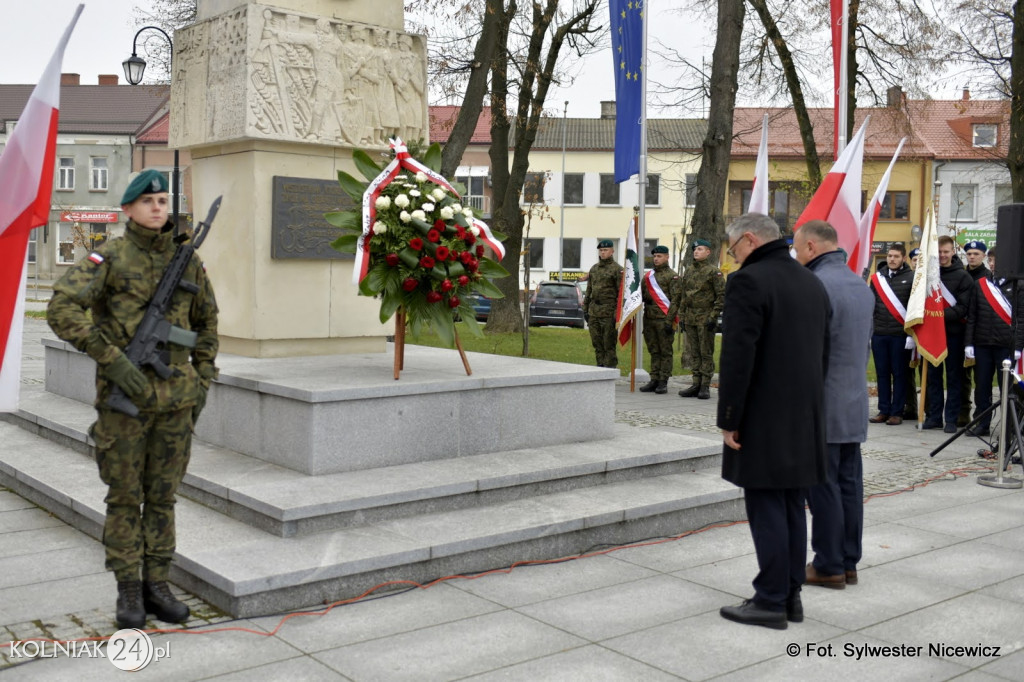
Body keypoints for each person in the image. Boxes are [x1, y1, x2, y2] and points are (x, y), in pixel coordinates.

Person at [47, 170, 220, 629]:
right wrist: (112, 359)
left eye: (163, 201)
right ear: (128, 209)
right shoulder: (110, 257)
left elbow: (207, 324)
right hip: (125, 405)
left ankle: (157, 584)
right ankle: (128, 589)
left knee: (163, 499)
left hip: (176, 405)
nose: (158, 208)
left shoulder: (188, 262)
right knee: (125, 500)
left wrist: (201, 381)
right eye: (148, 202)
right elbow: (61, 307)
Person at [717, 213, 830, 630]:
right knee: (790, 507)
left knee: (766, 506)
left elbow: (737, 358)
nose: (733, 259)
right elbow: (824, 355)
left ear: (748, 240)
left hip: (763, 417)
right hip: (804, 415)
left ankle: (769, 599)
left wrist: (730, 418)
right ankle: (790, 596)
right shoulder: (810, 281)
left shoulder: (749, 281)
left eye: (732, 251)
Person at [792, 221, 874, 590]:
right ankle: (848, 561)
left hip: (821, 403)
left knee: (822, 486)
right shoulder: (860, 283)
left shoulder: (815, 285)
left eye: (796, 249)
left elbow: (806, 353)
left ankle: (828, 564)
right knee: (849, 485)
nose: (795, 256)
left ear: (811, 246)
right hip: (853, 402)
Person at [965, 247, 1021, 436]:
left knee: (1008, 387)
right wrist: (969, 343)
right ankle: (982, 423)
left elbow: (1021, 319)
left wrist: (1019, 347)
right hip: (982, 344)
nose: (992, 263)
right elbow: (972, 316)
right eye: (990, 260)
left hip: (1007, 345)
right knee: (981, 386)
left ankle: (1010, 426)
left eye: (996, 260)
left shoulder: (1018, 285)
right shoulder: (981, 284)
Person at [924, 235, 974, 433]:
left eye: (946, 252)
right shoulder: (929, 274)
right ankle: (934, 416)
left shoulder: (963, 277)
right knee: (933, 378)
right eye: (939, 252)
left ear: (953, 252)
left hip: (954, 335)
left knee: (954, 378)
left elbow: (963, 308)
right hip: (933, 335)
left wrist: (937, 316)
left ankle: (951, 419)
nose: (942, 255)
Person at [868, 244, 914, 425]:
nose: (892, 259)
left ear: (903, 258)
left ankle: (897, 412)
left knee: (900, 373)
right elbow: (872, 304)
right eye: (889, 256)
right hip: (880, 333)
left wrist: (911, 333)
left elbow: (913, 308)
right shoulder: (878, 278)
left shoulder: (911, 278)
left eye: (896, 256)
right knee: (882, 373)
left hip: (900, 334)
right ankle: (883, 409)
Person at [678, 238, 725, 400]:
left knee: (706, 352)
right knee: (694, 352)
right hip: (690, 317)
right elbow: (684, 295)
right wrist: (682, 316)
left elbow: (721, 296)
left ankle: (705, 385)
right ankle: (696, 383)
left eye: (700, 249)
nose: (696, 252)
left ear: (708, 252)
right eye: (695, 250)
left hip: (705, 317)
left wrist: (713, 316)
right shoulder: (690, 270)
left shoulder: (714, 272)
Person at [639, 245, 681, 393]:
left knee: (665, 351)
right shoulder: (648, 276)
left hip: (664, 319)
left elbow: (676, 300)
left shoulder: (673, 276)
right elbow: (642, 297)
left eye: (660, 256)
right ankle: (654, 378)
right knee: (653, 350)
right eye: (655, 256)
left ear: (667, 257)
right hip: (649, 318)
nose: (656, 259)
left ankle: (663, 381)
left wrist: (670, 321)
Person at [960, 241, 992, 427]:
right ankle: (963, 414)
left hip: (980, 334)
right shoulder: (962, 274)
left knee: (981, 381)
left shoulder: (989, 277)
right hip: (962, 332)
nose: (972, 257)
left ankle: (982, 419)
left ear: (983, 256)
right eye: (969, 253)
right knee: (962, 378)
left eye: (976, 254)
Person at [583, 239, 624, 368]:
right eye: (601, 250)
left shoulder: (618, 270)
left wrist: (616, 315)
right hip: (594, 312)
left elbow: (621, 294)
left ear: (612, 251)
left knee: (608, 345)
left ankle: (609, 371)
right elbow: (589, 290)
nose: (603, 253)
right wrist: (585, 309)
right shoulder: (594, 269)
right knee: (597, 344)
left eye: (605, 250)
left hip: (608, 312)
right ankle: (600, 369)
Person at [904, 247, 922, 419]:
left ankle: (928, 409)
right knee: (907, 372)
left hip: (925, 333)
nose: (917, 262)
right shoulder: (908, 279)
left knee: (927, 374)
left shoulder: (928, 280)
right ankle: (910, 406)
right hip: (906, 332)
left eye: (919, 259)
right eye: (914, 259)